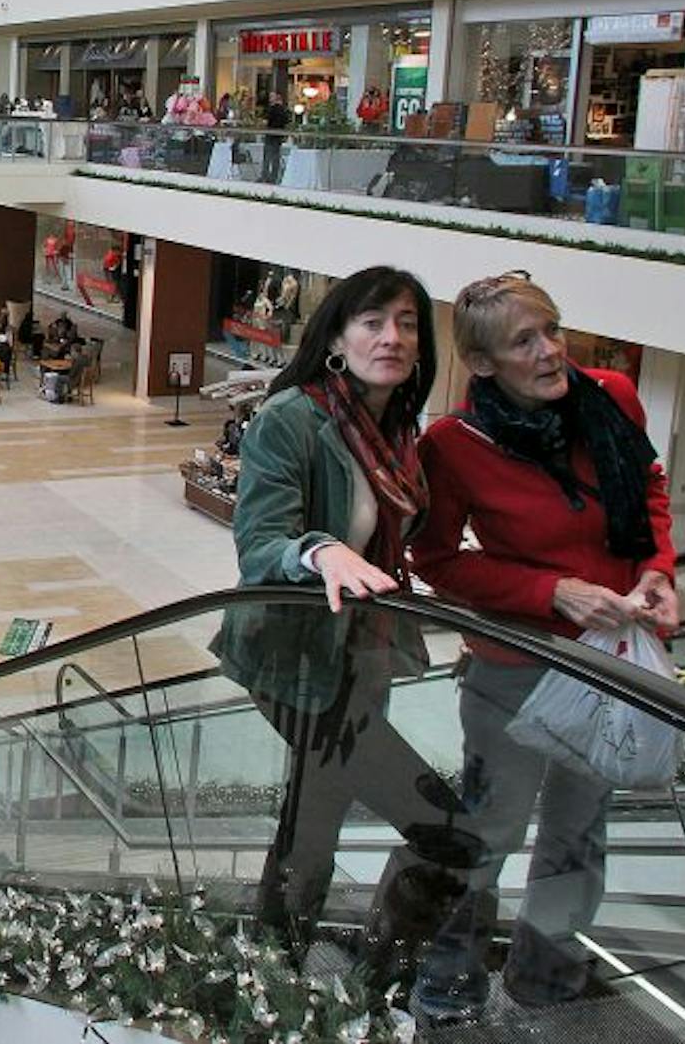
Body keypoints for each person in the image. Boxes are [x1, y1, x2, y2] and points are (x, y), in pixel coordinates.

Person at [409, 273, 676, 1025]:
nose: (551, 350)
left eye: (553, 329)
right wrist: (551, 590)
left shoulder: (611, 396)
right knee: (487, 832)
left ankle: (548, 972)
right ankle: (450, 979)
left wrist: (659, 568)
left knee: (579, 826)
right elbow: (437, 559)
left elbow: (650, 489)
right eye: (525, 340)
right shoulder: (453, 445)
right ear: (485, 362)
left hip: (608, 663)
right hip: (515, 672)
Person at [207, 265, 476, 984]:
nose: (391, 336)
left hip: (361, 656)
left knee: (314, 816)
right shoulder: (293, 416)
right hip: (291, 659)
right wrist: (320, 550)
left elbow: (417, 543)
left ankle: (276, 968)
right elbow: (258, 541)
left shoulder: (397, 431)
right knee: (444, 831)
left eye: (407, 322)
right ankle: (370, 978)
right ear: (335, 335)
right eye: (372, 321)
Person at [262, 90, 293, 182]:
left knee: (268, 157)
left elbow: (267, 121)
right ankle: (273, 176)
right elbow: (287, 121)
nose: (270, 99)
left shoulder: (272, 109)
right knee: (275, 157)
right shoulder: (283, 110)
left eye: (271, 97)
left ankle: (266, 175)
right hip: (278, 136)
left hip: (271, 135)